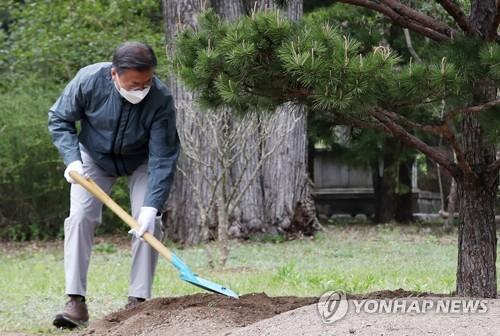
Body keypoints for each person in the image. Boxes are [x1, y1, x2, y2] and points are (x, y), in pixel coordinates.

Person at [48, 41, 180, 329]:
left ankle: (138, 302)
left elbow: (163, 155)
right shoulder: (88, 81)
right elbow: (59, 118)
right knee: (81, 217)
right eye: (134, 84)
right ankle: (75, 301)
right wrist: (71, 160)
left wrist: (150, 206)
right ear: (114, 75)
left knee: (149, 224)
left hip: (142, 159)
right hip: (92, 158)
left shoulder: (160, 99)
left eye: (146, 82)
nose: (141, 89)